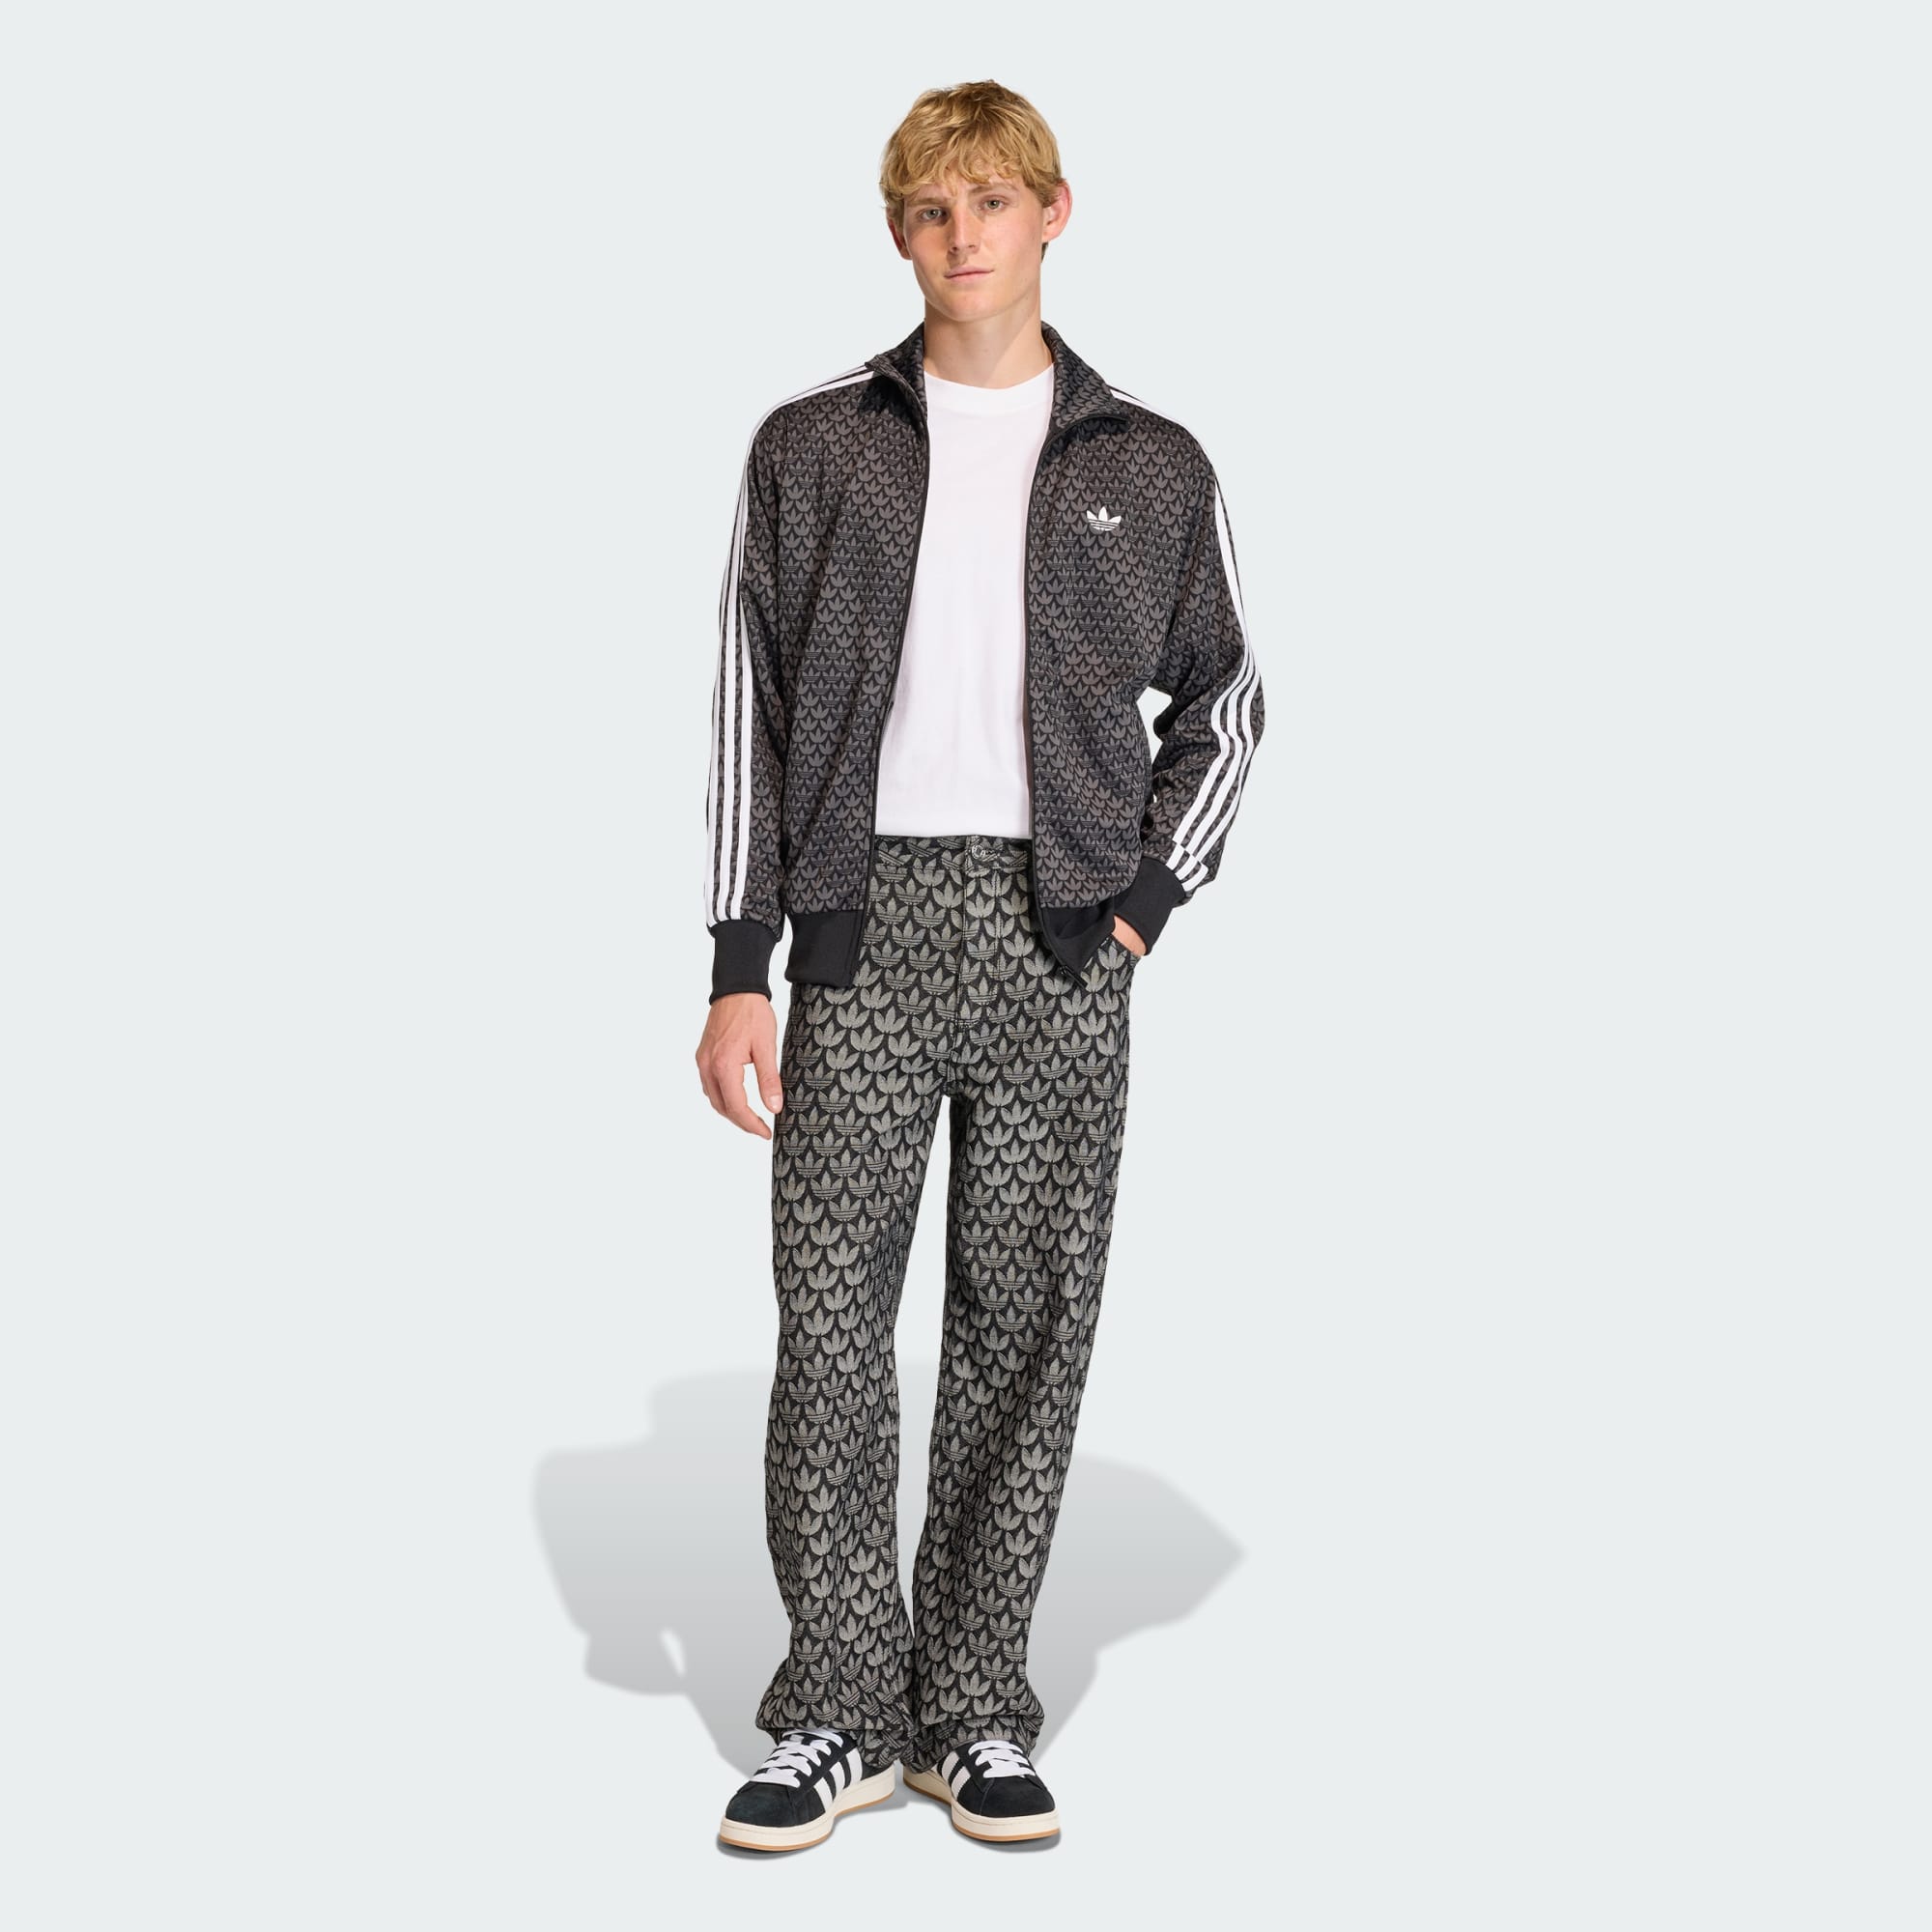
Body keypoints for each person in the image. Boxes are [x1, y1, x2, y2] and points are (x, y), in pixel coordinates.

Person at [696, 79, 1264, 1852]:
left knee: (1025, 1327)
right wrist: (740, 959)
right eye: (934, 210)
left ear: (1052, 213)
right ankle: (838, 1712)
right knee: (830, 1328)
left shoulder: (1150, 462)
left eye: (994, 203)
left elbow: (1230, 702)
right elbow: (749, 705)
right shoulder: (813, 445)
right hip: (857, 936)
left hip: (1057, 941)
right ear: (900, 232)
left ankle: (973, 1712)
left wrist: (1139, 905)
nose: (965, 237)